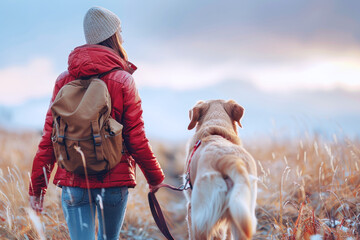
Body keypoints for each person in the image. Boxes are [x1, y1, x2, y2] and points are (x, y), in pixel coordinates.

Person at [29, 6, 165, 240]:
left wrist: (37, 189)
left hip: (74, 182)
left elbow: (49, 139)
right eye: (120, 31)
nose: (123, 37)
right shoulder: (123, 80)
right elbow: (136, 138)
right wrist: (156, 179)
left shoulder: (63, 80)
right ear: (113, 37)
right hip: (114, 182)